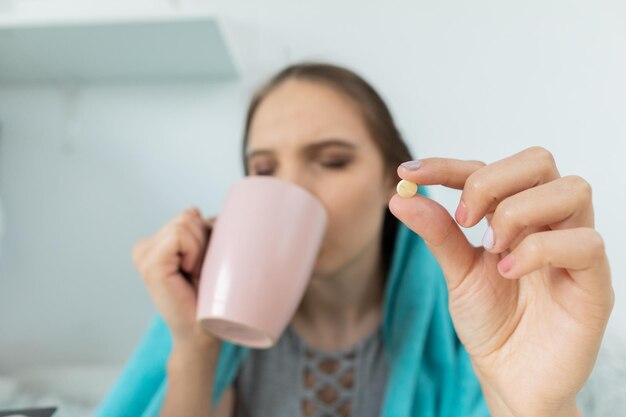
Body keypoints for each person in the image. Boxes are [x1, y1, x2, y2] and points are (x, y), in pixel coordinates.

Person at [124, 63, 614, 417]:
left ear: (391, 181)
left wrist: (539, 408)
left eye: (332, 160)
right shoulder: (222, 341)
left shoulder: (473, 326)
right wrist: (194, 346)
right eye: (264, 169)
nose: (289, 187)